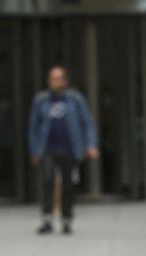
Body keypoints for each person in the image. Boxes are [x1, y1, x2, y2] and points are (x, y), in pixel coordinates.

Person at [27, 65, 99, 234]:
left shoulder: (76, 99)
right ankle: (47, 218)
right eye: (52, 78)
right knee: (47, 182)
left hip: (69, 149)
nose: (55, 82)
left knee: (68, 185)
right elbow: (33, 128)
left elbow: (87, 123)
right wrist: (35, 151)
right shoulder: (41, 100)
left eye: (59, 78)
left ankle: (67, 219)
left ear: (65, 81)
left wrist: (90, 145)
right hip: (47, 149)